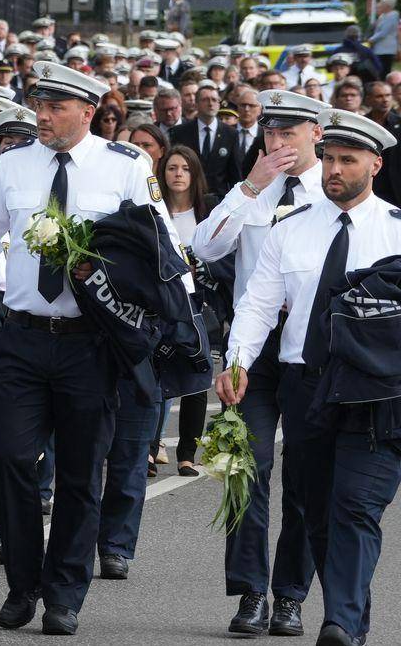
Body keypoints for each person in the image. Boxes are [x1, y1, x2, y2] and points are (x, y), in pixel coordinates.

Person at [0, 60, 171, 635]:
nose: (42, 116)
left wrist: (167, 328)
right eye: (39, 106)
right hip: (23, 336)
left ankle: (64, 593)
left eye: (55, 108)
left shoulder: (126, 166)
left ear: (88, 113)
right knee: (10, 458)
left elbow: (158, 249)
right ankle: (23, 583)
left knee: (80, 473)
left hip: (89, 344)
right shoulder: (15, 165)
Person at [220, 109, 401, 646]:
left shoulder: (397, 230)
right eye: (329, 159)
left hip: (379, 396)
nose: (335, 170)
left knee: (356, 508)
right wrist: (237, 362)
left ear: (375, 163)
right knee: (318, 511)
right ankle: (351, 619)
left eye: (348, 160)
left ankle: (339, 623)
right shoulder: (290, 230)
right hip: (308, 388)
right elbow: (257, 304)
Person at [193, 88, 333, 635]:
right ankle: (251, 591)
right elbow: (205, 248)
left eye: (290, 133)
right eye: (271, 133)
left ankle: (292, 594)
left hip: (309, 347)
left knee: (304, 476)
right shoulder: (251, 190)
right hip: (250, 346)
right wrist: (249, 187)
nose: (279, 143)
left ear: (316, 134)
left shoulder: (334, 188)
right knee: (246, 471)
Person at [159, 146, 217, 479]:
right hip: (162, 303)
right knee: (158, 376)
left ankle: (186, 454)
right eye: (171, 168)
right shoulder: (155, 210)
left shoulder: (206, 212)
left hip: (198, 303)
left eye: (185, 168)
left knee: (196, 375)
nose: (178, 174)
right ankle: (152, 449)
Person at [370, 0, 399, 76]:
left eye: (381, 3)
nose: (379, 5)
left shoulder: (392, 16)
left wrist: (371, 39)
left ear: (387, 6)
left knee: (385, 71)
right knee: (379, 71)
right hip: (379, 49)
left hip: (386, 49)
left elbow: (383, 32)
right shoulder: (383, 16)